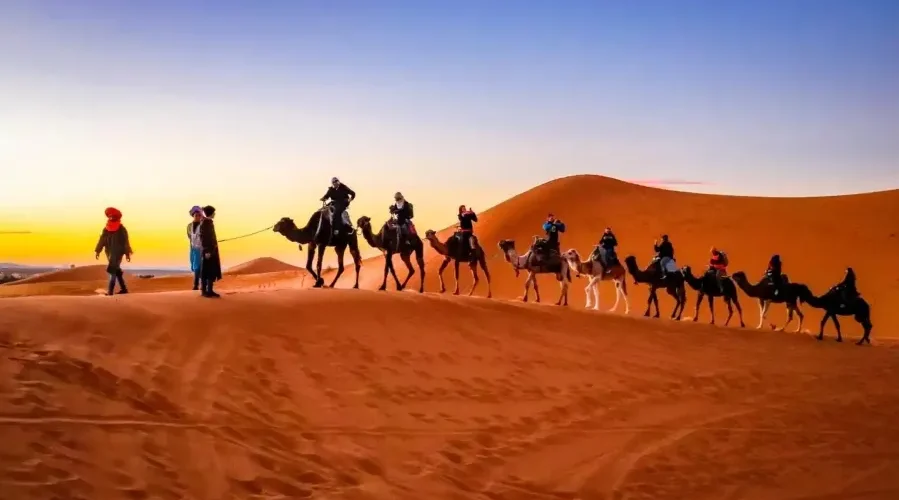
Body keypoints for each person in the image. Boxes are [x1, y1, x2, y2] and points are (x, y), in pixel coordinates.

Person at [94, 207, 133, 295]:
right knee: (116, 270)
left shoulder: (121, 229)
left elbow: (126, 242)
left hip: (118, 253)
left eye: (113, 216)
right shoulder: (106, 229)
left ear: (117, 217)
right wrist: (98, 250)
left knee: (112, 270)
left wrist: (127, 253)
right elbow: (102, 240)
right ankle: (124, 289)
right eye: (110, 216)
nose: (111, 218)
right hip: (109, 252)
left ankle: (110, 291)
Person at [198, 205, 222, 298]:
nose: (215, 214)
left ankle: (210, 290)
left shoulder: (208, 222)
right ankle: (204, 291)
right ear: (211, 213)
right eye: (214, 212)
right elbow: (203, 238)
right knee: (206, 271)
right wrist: (207, 251)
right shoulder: (205, 223)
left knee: (211, 270)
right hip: (207, 251)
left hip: (212, 250)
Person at [187, 206, 204, 290]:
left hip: (201, 249)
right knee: (195, 267)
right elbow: (190, 237)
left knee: (199, 267)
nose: (197, 217)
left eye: (199, 215)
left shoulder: (203, 225)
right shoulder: (189, 226)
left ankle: (197, 285)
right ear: (193, 216)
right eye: (196, 215)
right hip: (193, 249)